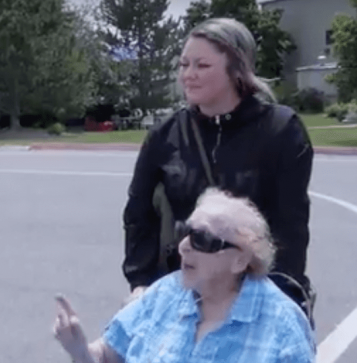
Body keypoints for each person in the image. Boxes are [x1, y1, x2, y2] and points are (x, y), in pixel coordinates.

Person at [121, 18, 315, 320]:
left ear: (237, 70)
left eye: (202, 65)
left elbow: (290, 227)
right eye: (184, 64)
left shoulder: (280, 131)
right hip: (182, 296)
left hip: (256, 295)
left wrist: (278, 296)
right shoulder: (165, 134)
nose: (188, 75)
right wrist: (140, 282)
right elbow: (138, 215)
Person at [54, 188, 316, 363]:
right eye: (185, 233)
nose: (184, 247)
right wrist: (79, 350)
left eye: (202, 240)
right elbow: (106, 354)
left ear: (241, 260)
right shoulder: (165, 293)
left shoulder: (282, 326)